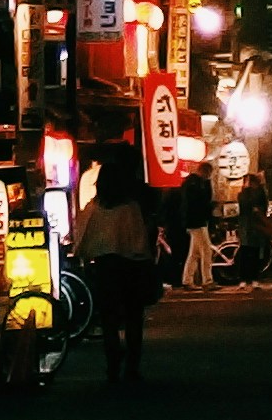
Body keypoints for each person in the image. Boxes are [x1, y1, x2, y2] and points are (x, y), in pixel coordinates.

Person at [74, 146, 159, 385]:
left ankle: (112, 365)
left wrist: (85, 258)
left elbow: (83, 238)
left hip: (105, 268)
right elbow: (141, 241)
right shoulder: (130, 207)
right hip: (132, 266)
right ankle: (132, 366)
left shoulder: (94, 208)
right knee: (133, 317)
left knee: (109, 318)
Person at [178, 161, 217, 287]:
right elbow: (202, 201)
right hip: (197, 221)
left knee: (194, 253)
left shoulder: (191, 183)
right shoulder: (196, 184)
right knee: (206, 250)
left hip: (193, 221)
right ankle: (207, 280)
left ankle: (187, 280)